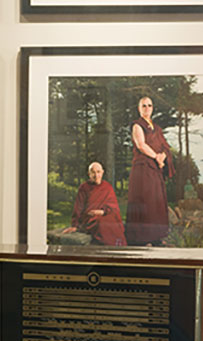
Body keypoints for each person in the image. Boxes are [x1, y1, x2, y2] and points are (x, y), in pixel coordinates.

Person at [125, 96, 174, 245]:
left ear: (153, 108)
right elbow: (141, 145)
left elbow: (165, 146)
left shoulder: (157, 128)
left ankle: (156, 237)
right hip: (142, 169)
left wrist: (162, 156)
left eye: (149, 106)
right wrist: (157, 157)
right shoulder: (137, 126)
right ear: (139, 109)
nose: (147, 109)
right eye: (143, 106)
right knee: (144, 201)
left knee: (156, 203)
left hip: (155, 169)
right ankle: (141, 239)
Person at [62, 162, 126, 246]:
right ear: (89, 174)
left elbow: (114, 207)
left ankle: (118, 246)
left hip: (105, 214)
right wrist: (75, 225)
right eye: (93, 172)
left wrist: (102, 212)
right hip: (90, 218)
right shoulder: (84, 187)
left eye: (98, 172)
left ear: (102, 172)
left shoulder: (108, 187)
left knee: (112, 224)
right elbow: (78, 207)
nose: (96, 175)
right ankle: (107, 247)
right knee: (101, 223)